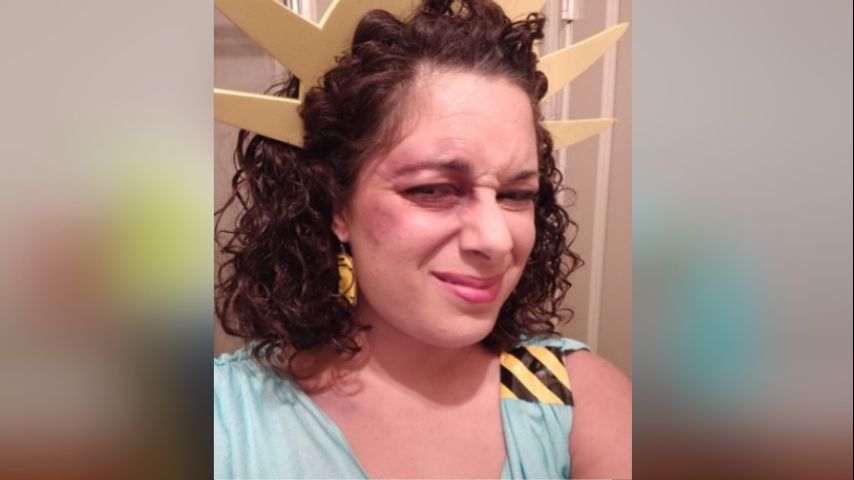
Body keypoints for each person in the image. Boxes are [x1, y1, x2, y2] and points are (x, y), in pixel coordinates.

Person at [214, 0, 631, 478]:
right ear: (335, 205)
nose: (496, 241)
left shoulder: (573, 399)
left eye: (516, 195)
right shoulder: (224, 421)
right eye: (432, 190)